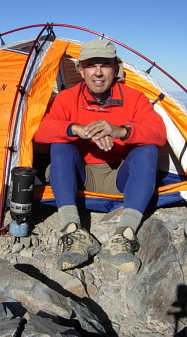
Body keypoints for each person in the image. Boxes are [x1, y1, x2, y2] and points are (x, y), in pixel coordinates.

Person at [34, 39, 167, 273]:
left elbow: (158, 134)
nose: (97, 73)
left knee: (148, 149)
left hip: (120, 177)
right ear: (80, 70)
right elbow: (41, 132)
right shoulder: (67, 98)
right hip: (82, 175)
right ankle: (73, 231)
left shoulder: (134, 98)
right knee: (60, 145)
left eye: (104, 65)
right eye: (90, 65)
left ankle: (124, 236)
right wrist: (78, 130)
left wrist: (120, 131)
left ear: (115, 69)